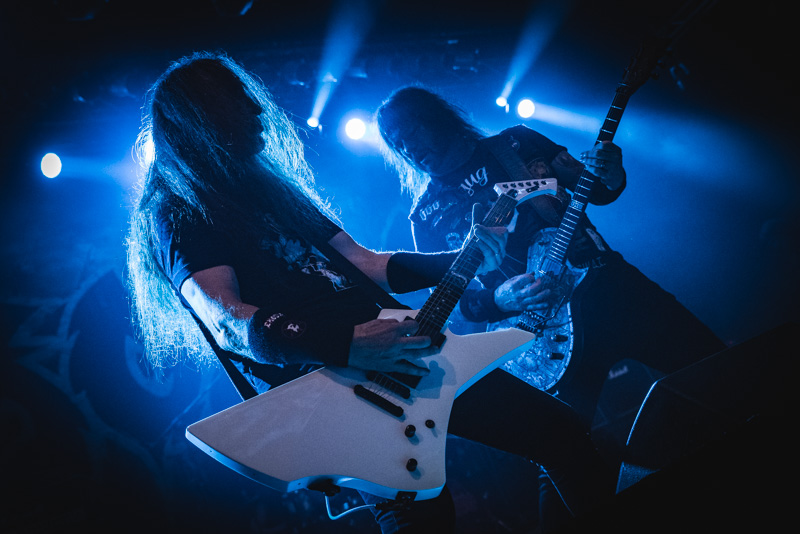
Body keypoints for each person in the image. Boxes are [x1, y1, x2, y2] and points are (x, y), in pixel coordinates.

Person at [125, 52, 617, 534]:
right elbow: (227, 320)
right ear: (202, 117)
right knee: (424, 517)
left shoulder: (271, 190)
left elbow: (365, 264)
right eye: (237, 101)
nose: (256, 110)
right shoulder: (177, 209)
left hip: (404, 347)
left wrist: (464, 257)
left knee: (562, 434)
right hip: (340, 387)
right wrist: (347, 344)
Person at [376, 85, 728, 530]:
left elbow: (592, 186)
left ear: (436, 117)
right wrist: (501, 299)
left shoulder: (515, 143)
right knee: (562, 452)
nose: (408, 147)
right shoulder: (425, 215)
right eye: (397, 143)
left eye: (410, 131)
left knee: (714, 369)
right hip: (543, 335)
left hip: (607, 288)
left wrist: (612, 172)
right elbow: (458, 305)